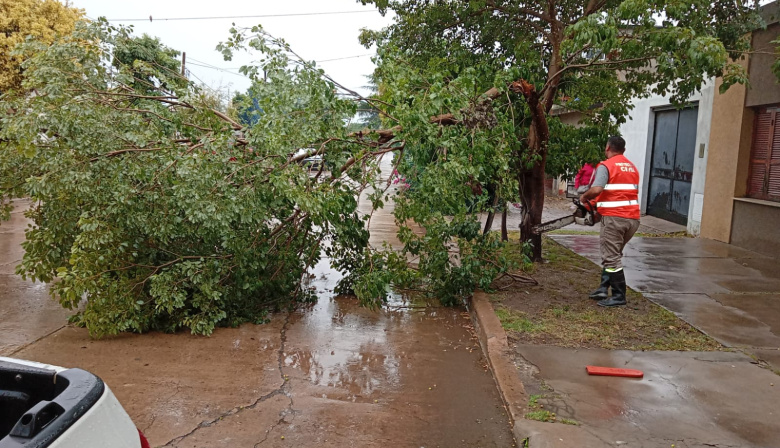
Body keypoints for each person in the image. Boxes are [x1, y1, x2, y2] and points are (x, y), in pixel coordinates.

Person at [579, 136, 640, 307]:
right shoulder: (632, 167)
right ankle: (603, 287)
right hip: (633, 219)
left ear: (607, 147)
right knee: (614, 254)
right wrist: (596, 206)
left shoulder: (606, 166)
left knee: (611, 258)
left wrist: (584, 198)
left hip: (615, 219)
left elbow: (598, 189)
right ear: (623, 150)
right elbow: (619, 193)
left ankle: (619, 295)